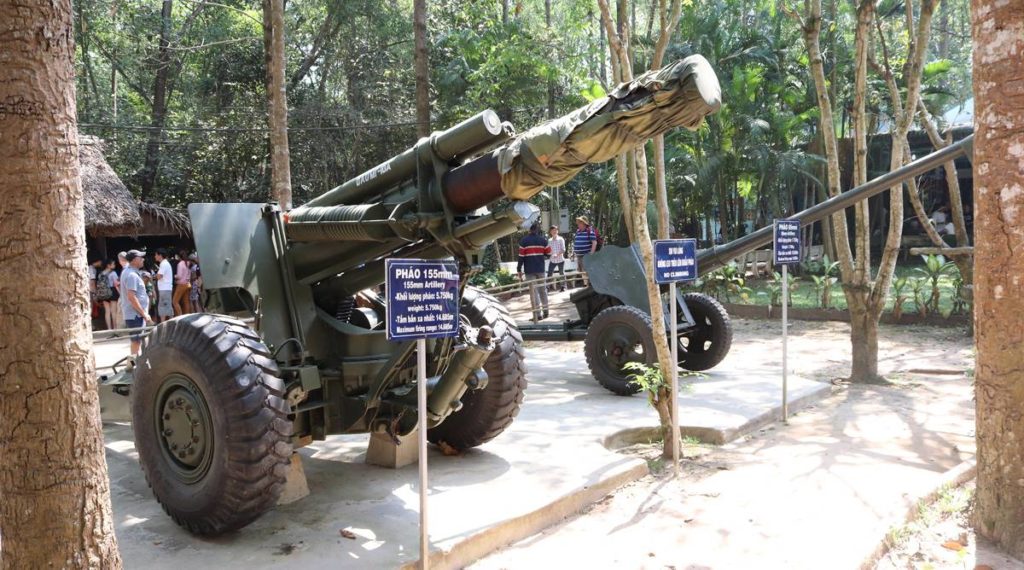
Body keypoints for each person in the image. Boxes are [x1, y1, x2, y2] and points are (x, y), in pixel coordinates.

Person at [119, 250, 153, 355]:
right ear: (134, 260)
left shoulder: (129, 272)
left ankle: (135, 365)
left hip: (135, 314)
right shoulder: (131, 275)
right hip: (135, 315)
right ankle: (132, 366)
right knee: (136, 342)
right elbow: (131, 297)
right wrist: (143, 314)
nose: (143, 259)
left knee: (138, 341)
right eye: (140, 258)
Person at [517, 223, 551, 320]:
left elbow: (521, 257)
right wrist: (540, 255)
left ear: (529, 229)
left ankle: (537, 315)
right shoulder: (543, 240)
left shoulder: (524, 241)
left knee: (534, 292)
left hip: (529, 270)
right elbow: (549, 253)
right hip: (540, 268)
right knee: (543, 290)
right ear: (537, 230)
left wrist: (519, 269)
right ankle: (546, 311)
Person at [573, 215, 597, 286]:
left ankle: (589, 285)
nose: (578, 224)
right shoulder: (578, 231)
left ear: (584, 223)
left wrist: (591, 253)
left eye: (580, 222)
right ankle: (586, 285)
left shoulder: (589, 231)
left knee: (586, 271)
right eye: (578, 222)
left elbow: (594, 242)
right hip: (579, 255)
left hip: (586, 255)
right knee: (581, 271)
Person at [98, 259, 120, 330]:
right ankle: (115, 328)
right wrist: (120, 293)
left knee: (107, 311)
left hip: (104, 293)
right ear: (108, 265)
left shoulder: (101, 273)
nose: (114, 265)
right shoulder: (113, 273)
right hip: (113, 291)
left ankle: (109, 328)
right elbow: (116, 284)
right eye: (113, 264)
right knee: (113, 311)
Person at [154, 248, 174, 322]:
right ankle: (170, 322)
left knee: (163, 306)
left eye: (156, 255)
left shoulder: (164, 264)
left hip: (164, 289)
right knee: (167, 305)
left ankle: (164, 323)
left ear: (160, 255)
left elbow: (159, 276)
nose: (155, 256)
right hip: (166, 288)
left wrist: (154, 276)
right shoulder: (164, 263)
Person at [546, 225, 567, 292]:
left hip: (560, 259)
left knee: (561, 273)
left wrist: (557, 255)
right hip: (552, 260)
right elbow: (548, 250)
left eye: (556, 230)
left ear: (557, 231)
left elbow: (563, 250)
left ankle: (563, 287)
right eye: (553, 230)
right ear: (550, 232)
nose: (554, 231)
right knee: (549, 273)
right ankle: (547, 288)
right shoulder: (549, 240)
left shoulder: (561, 239)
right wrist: (549, 253)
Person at [172, 248, 192, 315]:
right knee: (186, 302)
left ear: (178, 256)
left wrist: (174, 276)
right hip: (188, 284)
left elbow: (179, 276)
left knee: (175, 301)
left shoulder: (180, 264)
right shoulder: (188, 263)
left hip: (181, 284)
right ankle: (187, 315)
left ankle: (180, 315)